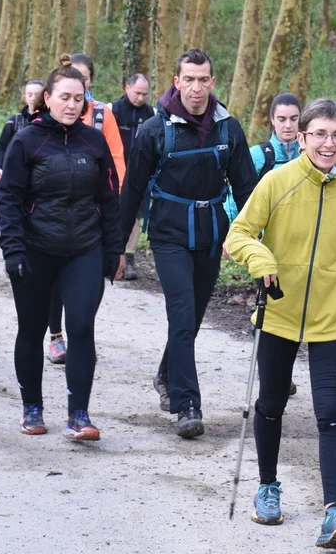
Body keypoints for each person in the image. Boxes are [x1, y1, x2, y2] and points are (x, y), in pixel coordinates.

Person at [226, 97, 336, 550]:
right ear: (302, 138)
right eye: (319, 133)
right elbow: (238, 235)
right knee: (270, 404)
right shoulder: (276, 181)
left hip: (332, 320)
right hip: (279, 314)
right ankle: (267, 487)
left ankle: (334, 511)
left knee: (331, 413)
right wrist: (261, 259)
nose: (328, 143)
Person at [118, 48, 258, 437]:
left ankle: (166, 374)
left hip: (211, 233)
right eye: (189, 80)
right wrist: (116, 247)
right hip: (169, 235)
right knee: (181, 315)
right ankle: (187, 405)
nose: (196, 88)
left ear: (212, 82)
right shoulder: (154, 130)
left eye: (203, 80)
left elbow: (248, 189)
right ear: (176, 82)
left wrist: (257, 238)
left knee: (192, 318)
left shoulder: (228, 128)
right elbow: (131, 191)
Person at [0, 55, 126, 441]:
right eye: (64, 97)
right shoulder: (26, 140)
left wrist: (114, 250)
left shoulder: (94, 141)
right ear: (48, 98)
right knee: (32, 328)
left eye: (78, 99)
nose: (71, 105)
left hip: (84, 248)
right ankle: (32, 408)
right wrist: (13, 250)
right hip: (35, 249)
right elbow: (8, 199)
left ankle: (78, 415)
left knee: (81, 327)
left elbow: (109, 199)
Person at [41, 54, 126, 365]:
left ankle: (80, 333)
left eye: (84, 78)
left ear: (90, 81)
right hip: (54, 214)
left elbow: (117, 160)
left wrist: (111, 198)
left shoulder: (102, 115)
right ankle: (55, 335)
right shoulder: (47, 113)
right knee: (54, 280)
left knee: (92, 279)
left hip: (93, 212)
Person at [225, 91, 302, 222]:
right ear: (272, 120)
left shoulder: (308, 155)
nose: (288, 125)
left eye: (293, 119)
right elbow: (234, 202)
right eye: (282, 119)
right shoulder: (257, 155)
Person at [110, 73, 154, 279]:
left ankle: (129, 258)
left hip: (140, 174)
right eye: (137, 93)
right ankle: (108, 254)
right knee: (111, 212)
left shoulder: (151, 113)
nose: (141, 98)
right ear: (127, 88)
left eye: (145, 94)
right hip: (114, 172)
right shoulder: (113, 110)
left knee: (135, 216)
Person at [0, 79, 46, 187]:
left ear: (45, 97)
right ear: (24, 98)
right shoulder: (14, 121)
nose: (33, 98)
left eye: (37, 95)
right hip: (16, 176)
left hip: (43, 178)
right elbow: (2, 147)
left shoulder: (51, 122)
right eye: (30, 95)